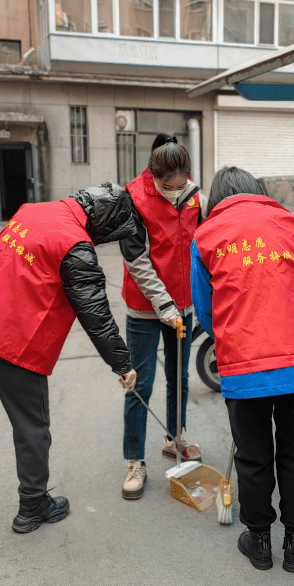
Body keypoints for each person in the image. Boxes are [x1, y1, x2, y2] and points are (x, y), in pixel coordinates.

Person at [0, 184, 138, 534]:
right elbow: (95, 311)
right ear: (102, 220)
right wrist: (123, 363)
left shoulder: (31, 211)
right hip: (14, 342)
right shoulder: (75, 244)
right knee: (31, 427)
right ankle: (33, 505)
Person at [191, 166, 294, 573]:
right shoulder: (290, 225)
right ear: (257, 191)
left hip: (242, 366)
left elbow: (205, 307)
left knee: (253, 458)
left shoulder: (205, 237)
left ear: (216, 198)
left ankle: (260, 543)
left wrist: (232, 338)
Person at [119, 134, 204, 500]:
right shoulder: (133, 199)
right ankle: (135, 459)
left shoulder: (194, 195)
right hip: (144, 306)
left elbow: (200, 245)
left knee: (179, 378)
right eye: (172, 183)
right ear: (156, 177)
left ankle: (174, 438)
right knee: (140, 382)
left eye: (184, 179)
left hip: (183, 304)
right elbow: (137, 260)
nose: (179, 187)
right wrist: (163, 306)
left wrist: (194, 298)